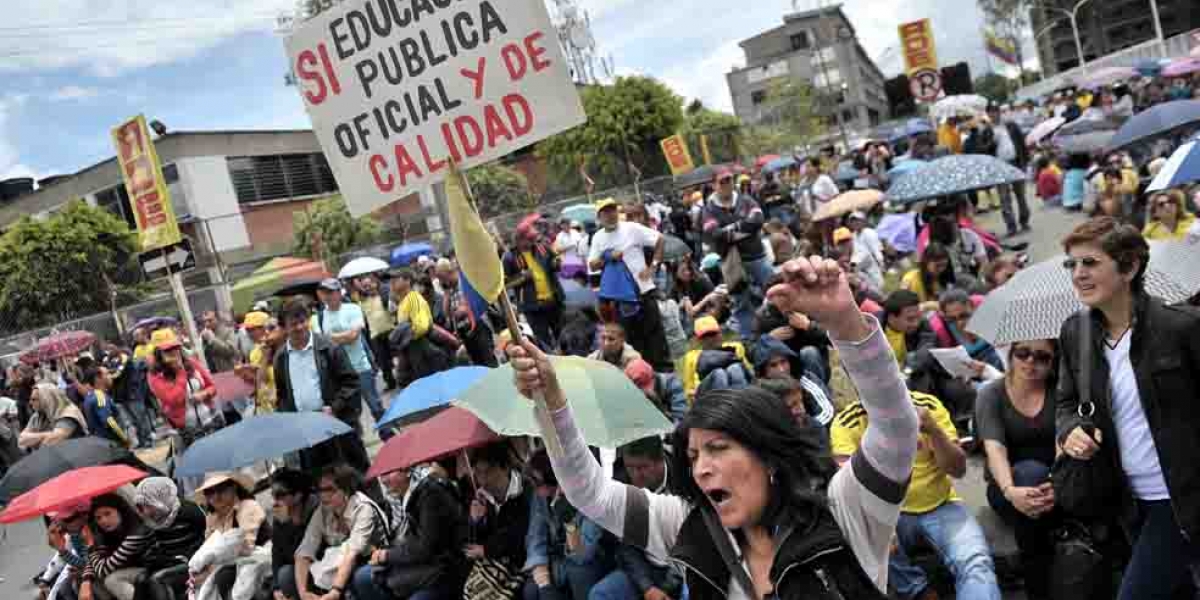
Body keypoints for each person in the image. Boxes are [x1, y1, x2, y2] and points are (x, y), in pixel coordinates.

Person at [507, 255, 919, 597]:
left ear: (769, 453)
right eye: (692, 456)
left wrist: (846, 323)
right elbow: (589, 491)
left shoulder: (844, 511)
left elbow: (896, 429)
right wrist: (552, 403)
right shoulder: (689, 525)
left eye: (718, 448)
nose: (701, 468)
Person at [1057, 217, 1200, 600]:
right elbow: (1067, 402)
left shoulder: (1181, 328)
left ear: (1130, 267)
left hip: (1182, 498)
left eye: (1091, 263)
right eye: (1072, 264)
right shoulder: (1076, 333)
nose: (1078, 274)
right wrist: (1070, 429)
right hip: (1125, 499)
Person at [833, 389, 1001, 600]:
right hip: (886, 513)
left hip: (940, 504)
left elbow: (958, 470)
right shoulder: (847, 423)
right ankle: (918, 591)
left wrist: (933, 430)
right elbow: (850, 486)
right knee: (863, 530)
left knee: (976, 562)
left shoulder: (926, 406)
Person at [975, 341, 1059, 600]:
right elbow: (995, 448)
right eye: (1023, 353)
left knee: (1036, 477)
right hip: (1006, 486)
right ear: (1011, 355)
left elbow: (1063, 444)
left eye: (1042, 357)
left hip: (1055, 483)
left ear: (1053, 362)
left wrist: (1057, 483)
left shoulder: (1061, 389)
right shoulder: (991, 393)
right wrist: (1011, 491)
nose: (1030, 362)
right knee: (1029, 475)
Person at [274, 299, 368, 474]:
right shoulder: (281, 358)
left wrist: (335, 407)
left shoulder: (329, 347)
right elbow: (282, 395)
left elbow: (351, 382)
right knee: (322, 480)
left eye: (303, 321)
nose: (300, 327)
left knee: (354, 473)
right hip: (308, 432)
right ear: (284, 328)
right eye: (293, 324)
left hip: (337, 425)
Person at [354, 465, 467, 600]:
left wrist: (387, 555)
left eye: (388, 472)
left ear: (407, 471)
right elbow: (398, 538)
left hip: (442, 569)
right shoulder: (396, 497)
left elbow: (426, 548)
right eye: (381, 475)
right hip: (416, 561)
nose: (383, 480)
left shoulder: (430, 494)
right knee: (362, 576)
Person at [592, 436, 683, 600]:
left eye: (642, 467)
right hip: (644, 568)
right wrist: (647, 587)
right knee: (601, 594)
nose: (635, 475)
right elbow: (625, 546)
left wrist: (665, 588)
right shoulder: (622, 483)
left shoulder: (684, 480)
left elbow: (692, 545)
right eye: (630, 467)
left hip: (683, 569)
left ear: (660, 460)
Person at [588, 198, 671, 372]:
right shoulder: (598, 238)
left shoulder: (631, 228)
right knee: (632, 340)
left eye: (612, 210)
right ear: (599, 217)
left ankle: (665, 374)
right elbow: (592, 264)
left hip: (644, 290)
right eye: (605, 212)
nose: (610, 215)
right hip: (619, 298)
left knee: (655, 336)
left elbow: (660, 239)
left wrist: (653, 267)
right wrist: (607, 257)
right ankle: (642, 375)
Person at [522, 449, 611, 600]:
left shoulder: (591, 495)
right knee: (531, 590)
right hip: (556, 560)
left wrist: (569, 521)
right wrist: (543, 580)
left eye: (537, 483)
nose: (534, 489)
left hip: (589, 561)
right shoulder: (540, 497)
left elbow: (583, 555)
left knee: (577, 572)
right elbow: (535, 536)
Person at [289, 465, 386, 600]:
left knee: (361, 577)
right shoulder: (322, 510)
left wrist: (336, 590)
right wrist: (303, 593)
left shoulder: (363, 508)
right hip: (341, 561)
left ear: (346, 490)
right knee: (288, 575)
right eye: (320, 490)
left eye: (330, 490)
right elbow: (304, 551)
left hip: (372, 559)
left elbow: (352, 552)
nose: (323, 495)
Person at [701, 169, 774, 340]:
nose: (727, 184)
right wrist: (743, 228)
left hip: (757, 256)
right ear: (713, 185)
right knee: (741, 303)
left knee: (774, 291)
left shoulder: (746, 199)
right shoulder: (708, 209)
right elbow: (714, 233)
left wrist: (730, 232)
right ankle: (750, 340)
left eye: (729, 179)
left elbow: (758, 221)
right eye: (722, 181)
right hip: (731, 262)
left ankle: (780, 325)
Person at [463, 442, 534, 600]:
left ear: (505, 468)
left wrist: (487, 549)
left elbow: (522, 533)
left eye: (488, 472)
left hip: (521, 562)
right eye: (478, 473)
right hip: (493, 567)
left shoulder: (526, 490)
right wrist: (475, 522)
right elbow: (471, 545)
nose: (483, 480)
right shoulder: (480, 497)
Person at [312, 279, 385, 427]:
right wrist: (342, 337)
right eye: (325, 292)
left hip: (361, 368)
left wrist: (330, 338)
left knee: (376, 406)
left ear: (339, 292)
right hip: (340, 376)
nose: (329, 296)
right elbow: (321, 344)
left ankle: (389, 435)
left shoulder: (352, 309)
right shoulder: (318, 318)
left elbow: (353, 337)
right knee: (349, 414)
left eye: (332, 292)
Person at [190, 473, 272, 600]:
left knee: (224, 577)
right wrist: (202, 571)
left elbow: (246, 546)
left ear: (233, 487)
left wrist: (210, 570)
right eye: (210, 492)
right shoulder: (212, 517)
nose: (216, 496)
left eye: (221, 490)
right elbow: (209, 548)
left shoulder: (248, 506)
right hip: (229, 562)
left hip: (258, 557)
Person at [132, 477, 207, 600]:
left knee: (159, 579)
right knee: (141, 580)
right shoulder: (153, 521)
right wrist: (154, 558)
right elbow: (154, 548)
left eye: (149, 505)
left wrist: (185, 556)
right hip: (170, 562)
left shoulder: (188, 511)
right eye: (142, 507)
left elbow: (207, 537)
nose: (146, 511)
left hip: (192, 561)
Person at [146, 329, 220, 451]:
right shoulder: (155, 375)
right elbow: (174, 399)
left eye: (175, 347)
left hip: (210, 421)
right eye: (167, 350)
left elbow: (213, 386)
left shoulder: (191, 363)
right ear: (158, 353)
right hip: (187, 430)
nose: (174, 352)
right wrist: (180, 372)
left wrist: (204, 394)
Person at [81, 493, 154, 600]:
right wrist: (86, 581)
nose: (103, 521)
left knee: (112, 580)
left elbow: (103, 570)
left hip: (152, 569)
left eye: (108, 513)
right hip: (135, 572)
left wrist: (90, 546)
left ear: (120, 511)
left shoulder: (137, 532)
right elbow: (95, 564)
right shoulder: (108, 535)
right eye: (98, 518)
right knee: (93, 581)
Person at [504, 223, 566, 349]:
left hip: (554, 301)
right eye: (529, 239)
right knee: (544, 342)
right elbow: (505, 284)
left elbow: (556, 260)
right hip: (532, 307)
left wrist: (557, 263)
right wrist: (522, 277)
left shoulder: (542, 248)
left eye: (533, 237)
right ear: (519, 240)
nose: (533, 241)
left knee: (563, 336)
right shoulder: (509, 258)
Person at [390, 269, 449, 387]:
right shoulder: (403, 302)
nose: (392, 282)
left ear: (407, 281)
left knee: (431, 386)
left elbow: (422, 326)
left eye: (396, 278)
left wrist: (405, 335)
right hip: (416, 351)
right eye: (391, 280)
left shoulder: (413, 298)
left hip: (421, 351)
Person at [434, 259, 498, 367]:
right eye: (440, 279)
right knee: (477, 363)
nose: (442, 281)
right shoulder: (449, 290)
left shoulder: (465, 282)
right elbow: (446, 314)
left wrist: (465, 310)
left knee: (488, 359)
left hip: (478, 325)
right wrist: (446, 293)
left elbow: (480, 300)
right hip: (464, 330)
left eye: (443, 278)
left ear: (449, 272)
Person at [270, 470, 319, 600]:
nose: (275, 501)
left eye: (280, 495)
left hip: (318, 565)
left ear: (298, 495)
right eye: (273, 495)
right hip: (298, 570)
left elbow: (304, 553)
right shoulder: (280, 515)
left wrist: (289, 524)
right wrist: (276, 587)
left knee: (286, 574)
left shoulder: (316, 509)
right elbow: (277, 554)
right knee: (283, 575)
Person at [679, 316, 752, 401]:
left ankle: (743, 404)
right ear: (698, 340)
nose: (710, 339)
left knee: (735, 368)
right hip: (707, 395)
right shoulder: (691, 356)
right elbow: (688, 389)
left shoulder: (735, 347)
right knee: (719, 373)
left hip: (735, 389)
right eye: (705, 336)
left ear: (720, 333)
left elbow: (747, 372)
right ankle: (723, 407)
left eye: (713, 334)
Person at [350, 273, 397, 391]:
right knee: (383, 361)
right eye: (365, 286)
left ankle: (404, 376)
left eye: (370, 285)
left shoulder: (383, 295)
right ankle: (390, 382)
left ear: (375, 284)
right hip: (375, 334)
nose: (368, 287)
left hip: (390, 330)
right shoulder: (362, 301)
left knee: (399, 356)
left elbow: (393, 308)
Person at [236, 312, 281, 414]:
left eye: (252, 329)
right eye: (247, 330)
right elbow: (260, 381)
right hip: (266, 407)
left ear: (264, 328)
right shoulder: (254, 352)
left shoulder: (281, 347)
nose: (249, 333)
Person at [19, 383, 87, 450]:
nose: (30, 403)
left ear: (46, 399)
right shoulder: (38, 415)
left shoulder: (69, 412)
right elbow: (21, 440)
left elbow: (52, 440)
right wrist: (47, 435)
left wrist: (33, 439)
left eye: (34, 399)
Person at [622, 358, 687, 424]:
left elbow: (681, 419)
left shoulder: (673, 384)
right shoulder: (628, 393)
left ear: (653, 375)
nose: (644, 393)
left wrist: (658, 406)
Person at [80, 366, 129, 447]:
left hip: (101, 443)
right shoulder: (99, 396)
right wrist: (124, 438)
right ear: (98, 378)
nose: (110, 376)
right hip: (111, 444)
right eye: (107, 374)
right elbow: (109, 421)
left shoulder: (90, 397)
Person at [901, 243, 955, 311]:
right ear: (926, 261)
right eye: (937, 266)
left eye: (944, 265)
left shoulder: (943, 278)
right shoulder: (910, 279)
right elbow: (903, 309)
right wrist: (926, 305)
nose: (941, 269)